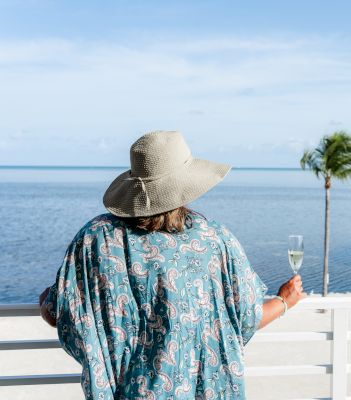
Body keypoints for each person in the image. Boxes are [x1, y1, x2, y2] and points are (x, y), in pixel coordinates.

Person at [38, 130, 307, 399]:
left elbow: (61, 314)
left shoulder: (97, 239)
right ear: (185, 185)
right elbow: (247, 316)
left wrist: (48, 298)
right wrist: (285, 301)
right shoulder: (214, 240)